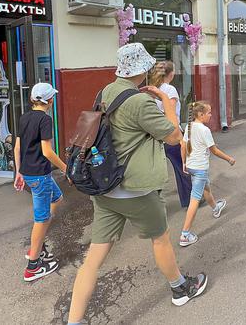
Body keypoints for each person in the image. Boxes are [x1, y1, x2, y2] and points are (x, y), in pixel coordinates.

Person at [67, 44, 207, 324]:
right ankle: (180, 288)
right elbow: (174, 136)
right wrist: (166, 102)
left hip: (105, 187)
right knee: (161, 239)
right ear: (142, 70)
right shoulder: (140, 102)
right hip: (136, 190)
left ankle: (74, 321)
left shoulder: (104, 92)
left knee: (94, 258)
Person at [13, 82, 67, 282]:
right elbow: (47, 152)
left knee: (57, 198)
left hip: (30, 173)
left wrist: (18, 172)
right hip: (40, 176)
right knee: (41, 219)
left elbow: (17, 147)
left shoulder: (24, 117)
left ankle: (38, 243)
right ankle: (33, 266)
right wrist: (66, 169)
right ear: (50, 100)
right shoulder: (45, 119)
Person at [179, 101, 236, 247]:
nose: (211, 115)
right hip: (200, 169)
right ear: (200, 114)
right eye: (209, 113)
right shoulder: (205, 130)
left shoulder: (189, 127)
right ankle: (185, 235)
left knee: (206, 188)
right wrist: (229, 159)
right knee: (195, 200)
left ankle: (216, 208)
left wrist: (184, 163)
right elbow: (214, 150)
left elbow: (183, 146)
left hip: (191, 167)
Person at [150, 60, 192, 209]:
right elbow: (171, 113)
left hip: (158, 135)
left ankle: (153, 204)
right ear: (171, 74)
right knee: (183, 167)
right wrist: (179, 136)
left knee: (157, 171)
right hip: (172, 134)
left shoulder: (154, 89)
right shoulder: (170, 89)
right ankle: (190, 199)